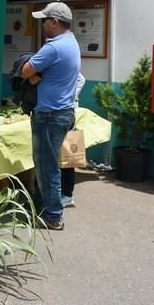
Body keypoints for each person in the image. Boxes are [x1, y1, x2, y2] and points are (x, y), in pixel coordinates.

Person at [21, 1, 80, 230]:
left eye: (45, 20)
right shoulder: (71, 42)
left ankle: (53, 216)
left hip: (50, 115)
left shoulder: (53, 47)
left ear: (55, 22)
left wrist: (33, 76)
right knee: (48, 164)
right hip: (63, 112)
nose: (42, 24)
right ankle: (45, 208)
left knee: (47, 166)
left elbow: (27, 70)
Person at [61, 72, 86, 208]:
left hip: (67, 113)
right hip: (64, 112)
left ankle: (67, 195)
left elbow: (81, 79)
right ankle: (63, 193)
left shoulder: (67, 64)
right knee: (62, 156)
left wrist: (70, 97)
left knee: (67, 156)